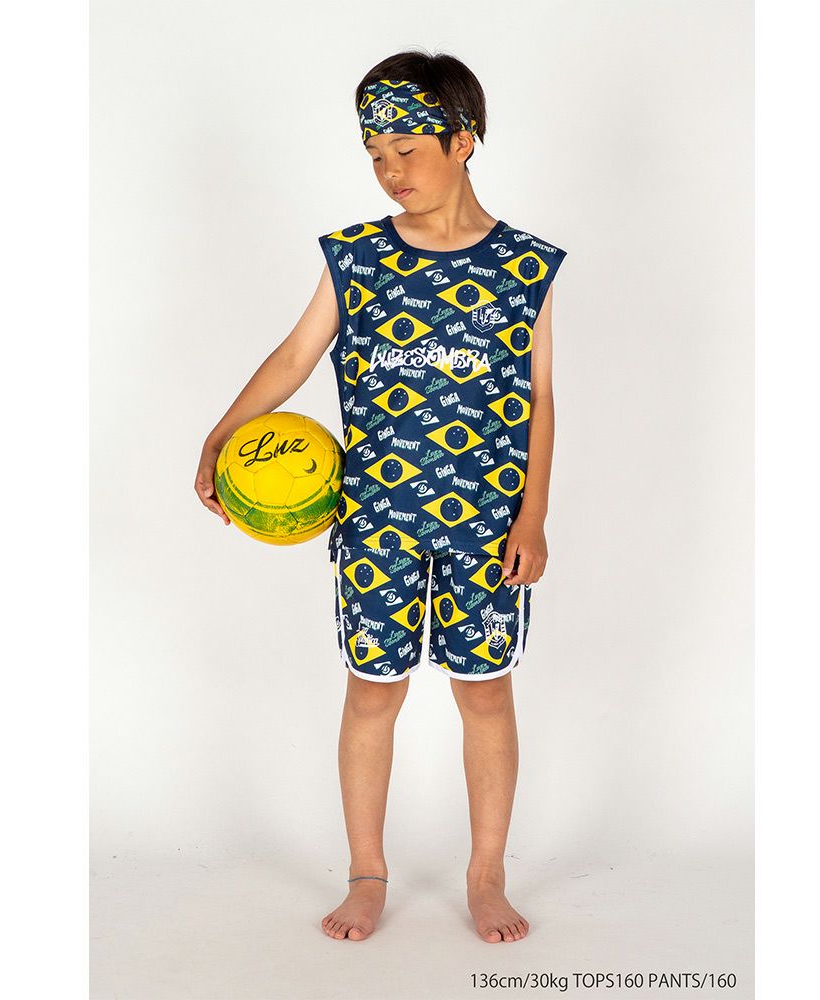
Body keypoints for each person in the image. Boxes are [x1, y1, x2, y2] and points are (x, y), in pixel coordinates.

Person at [194, 49, 567, 944]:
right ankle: (367, 873)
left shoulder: (525, 266)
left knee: (485, 693)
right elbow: (295, 357)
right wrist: (222, 433)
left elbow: (541, 395)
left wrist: (534, 515)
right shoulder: (357, 258)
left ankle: (486, 874)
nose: (389, 169)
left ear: (462, 140)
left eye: (405, 148)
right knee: (372, 692)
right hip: (377, 523)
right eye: (373, 154)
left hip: (486, 525)